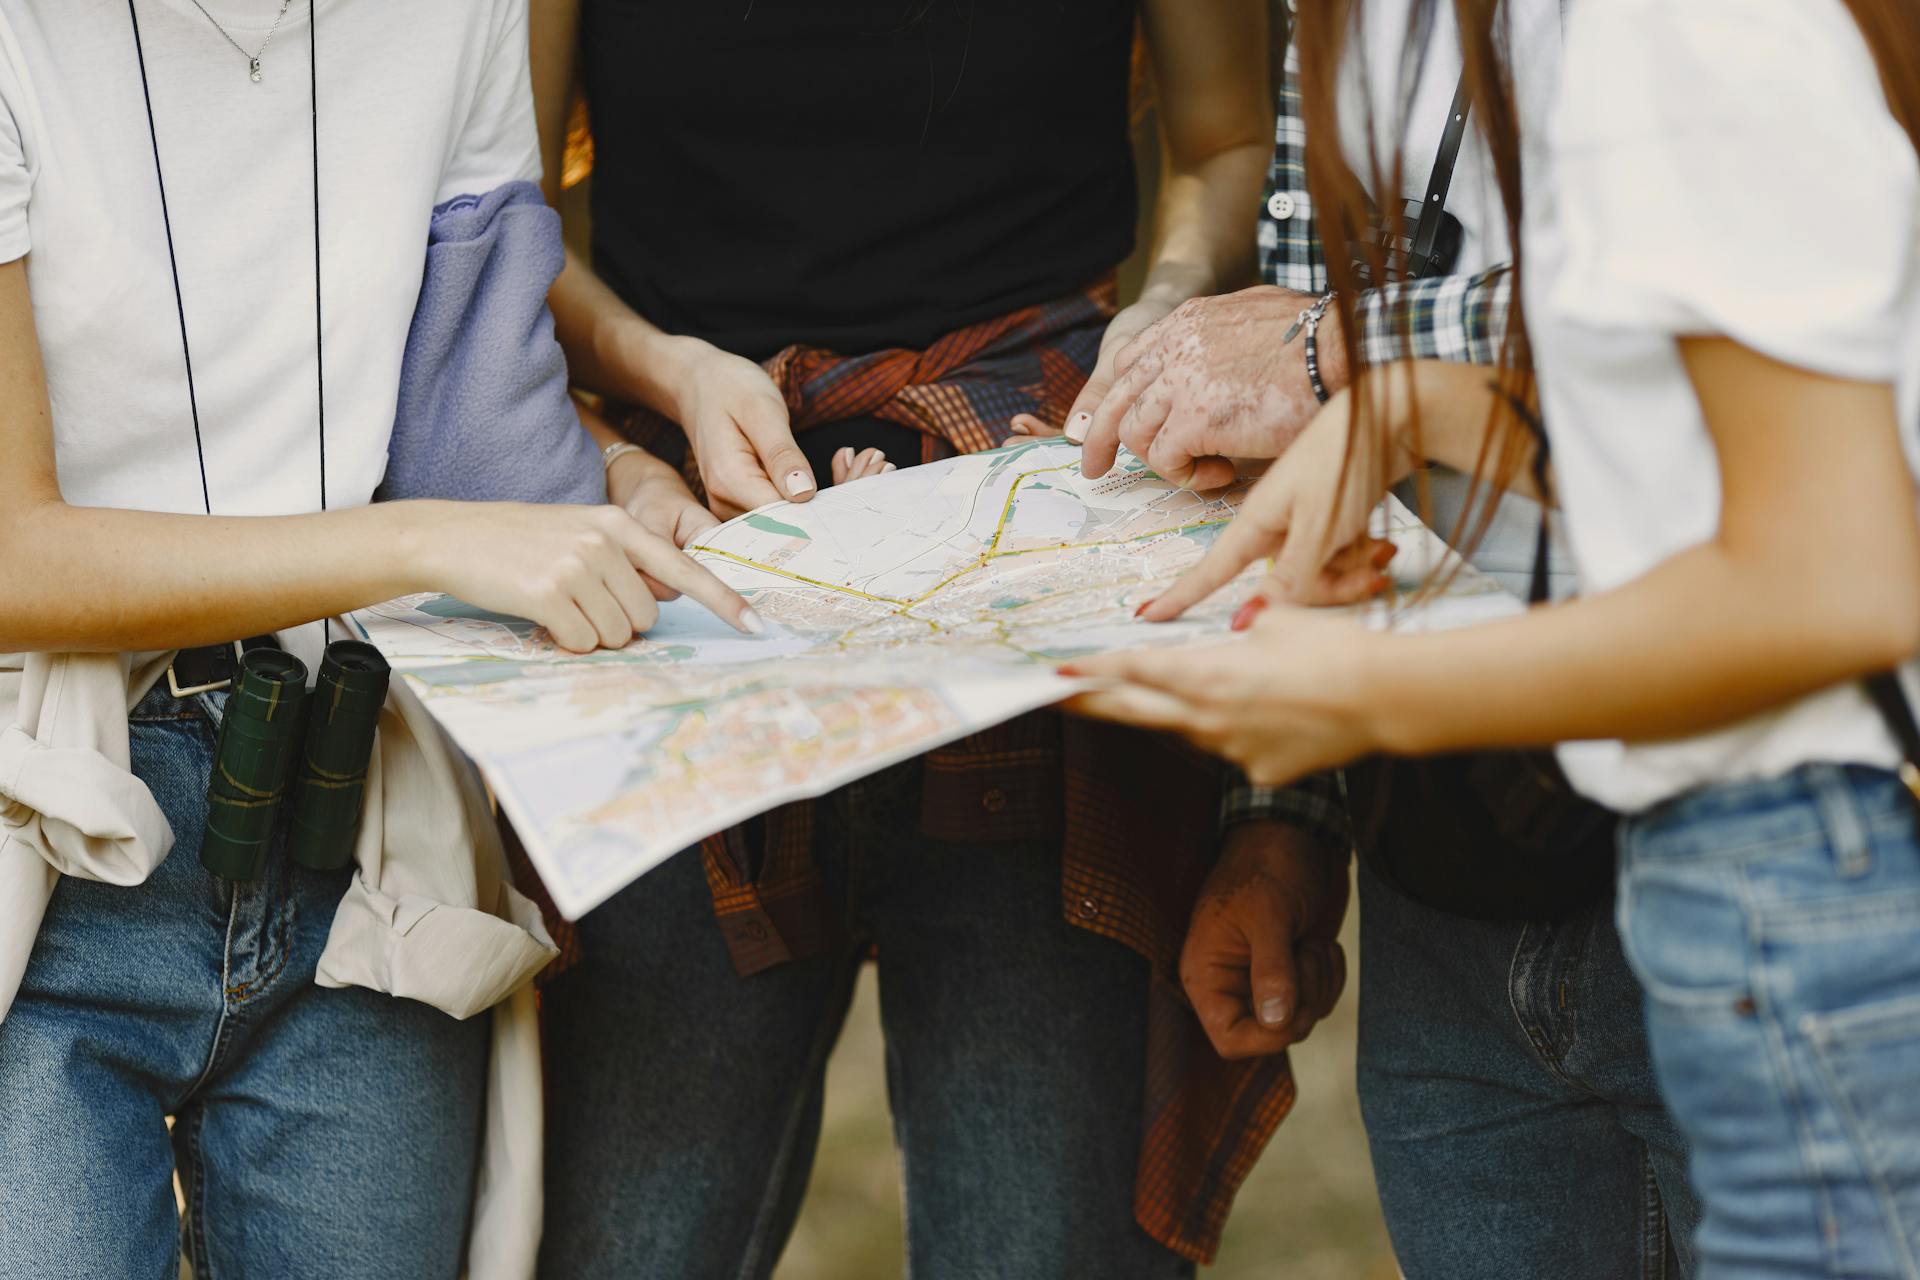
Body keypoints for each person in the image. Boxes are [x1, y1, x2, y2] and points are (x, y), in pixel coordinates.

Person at [1073, 0, 1920, 1274]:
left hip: (1797, 862)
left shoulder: (1691, 33)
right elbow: (1675, 439)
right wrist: (1420, 402)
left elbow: (1846, 574)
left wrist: (1378, 694)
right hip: (1549, 862)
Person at [524, 2, 1292, 1275]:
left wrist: (1163, 307)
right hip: (683, 572)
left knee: (1040, 1240)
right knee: (625, 1240)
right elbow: (503, 211)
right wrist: (666, 376)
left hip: (1043, 542)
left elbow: (1225, 140)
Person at [0, 2, 753, 1275]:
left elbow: (471, 403)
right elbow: (13, 552)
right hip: (50, 840)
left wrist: (617, 467)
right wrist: (417, 542)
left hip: (362, 841)